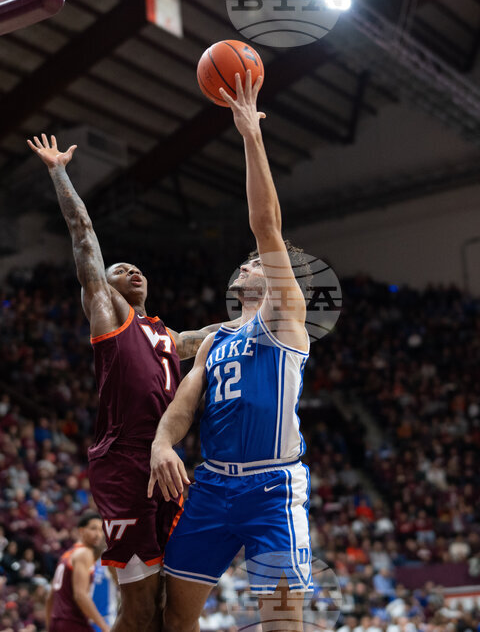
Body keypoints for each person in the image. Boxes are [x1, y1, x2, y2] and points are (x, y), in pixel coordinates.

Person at [28, 134, 227, 632]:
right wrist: (59, 172)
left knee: (170, 602)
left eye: (138, 268)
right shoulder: (108, 315)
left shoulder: (167, 335)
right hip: (124, 460)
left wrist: (273, 312)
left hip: (169, 460)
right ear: (106, 286)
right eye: (121, 268)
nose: (132, 269)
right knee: (138, 611)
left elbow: (215, 334)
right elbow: (84, 236)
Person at [150, 69, 313, 632]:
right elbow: (184, 403)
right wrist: (160, 444)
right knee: (175, 617)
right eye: (247, 262)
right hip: (212, 483)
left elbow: (267, 227)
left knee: (281, 623)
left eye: (256, 263)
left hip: (272, 485)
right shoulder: (216, 339)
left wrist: (251, 135)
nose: (247, 263)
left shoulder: (285, 319)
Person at [47, 512, 110, 632]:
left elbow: (50, 597)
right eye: (93, 529)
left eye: (100, 530)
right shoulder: (84, 553)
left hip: (57, 622)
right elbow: (80, 595)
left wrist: (49, 625)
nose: (98, 534)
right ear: (81, 531)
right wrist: (104, 627)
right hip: (72, 622)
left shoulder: (66, 555)